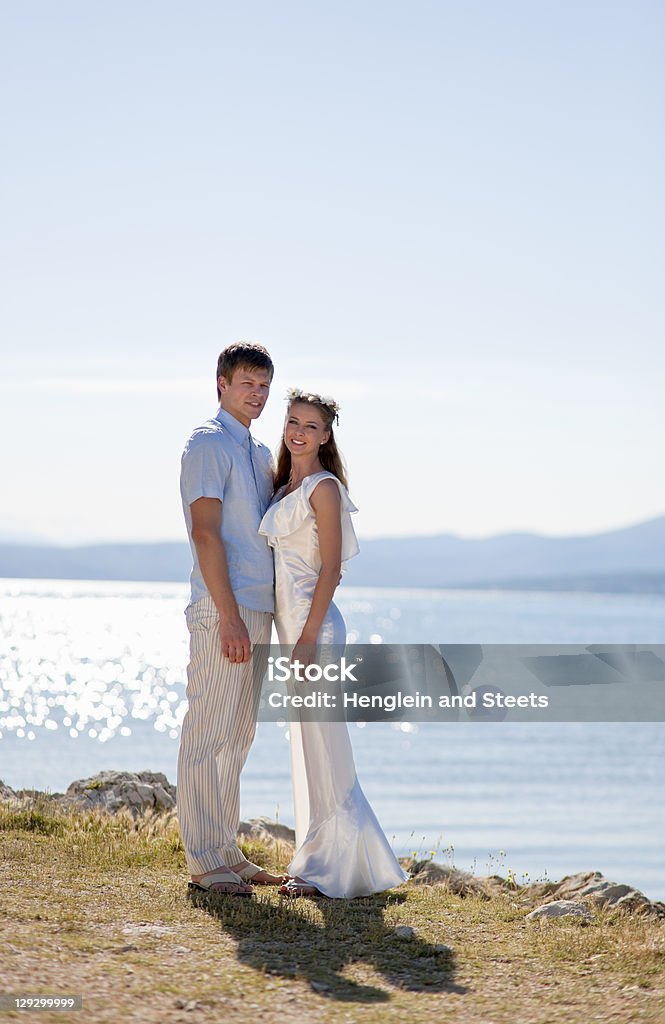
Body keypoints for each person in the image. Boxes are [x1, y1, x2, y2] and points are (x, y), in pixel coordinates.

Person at [259, 388, 408, 898]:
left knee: (327, 747)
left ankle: (335, 871)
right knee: (309, 748)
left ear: (326, 436)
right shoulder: (284, 487)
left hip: (315, 631)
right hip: (294, 629)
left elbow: (332, 569)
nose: (299, 432)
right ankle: (324, 861)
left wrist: (305, 637)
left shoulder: (322, 488)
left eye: (310, 425)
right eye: (292, 422)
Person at [177, 342, 286, 896]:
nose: (258, 395)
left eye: (265, 386)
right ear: (221, 383)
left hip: (258, 606)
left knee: (237, 735)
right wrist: (227, 616)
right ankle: (202, 860)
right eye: (248, 384)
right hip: (225, 607)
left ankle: (226, 851)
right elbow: (205, 532)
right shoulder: (207, 443)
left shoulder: (259, 450)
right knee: (208, 729)